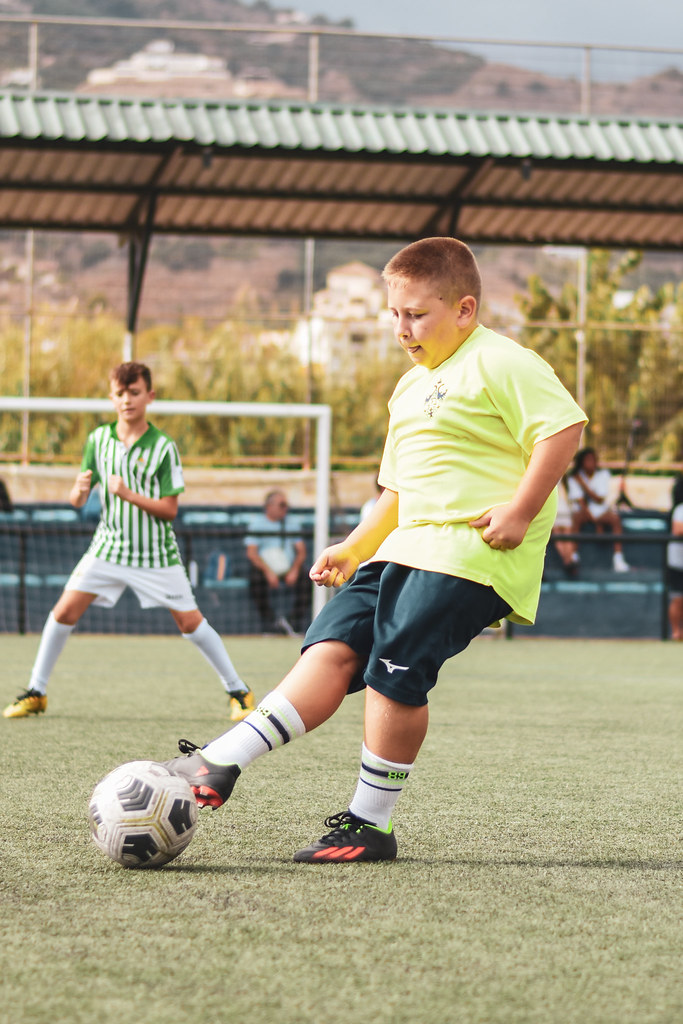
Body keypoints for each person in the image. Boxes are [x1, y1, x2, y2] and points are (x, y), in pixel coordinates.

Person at [161, 236, 586, 864]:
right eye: (394, 314)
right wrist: (357, 545)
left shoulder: (505, 361)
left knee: (394, 668)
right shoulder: (409, 389)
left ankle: (370, 825)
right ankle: (220, 761)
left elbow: (564, 427)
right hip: (402, 549)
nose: (401, 328)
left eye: (416, 313)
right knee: (328, 649)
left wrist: (521, 510)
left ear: (464, 310)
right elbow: (399, 490)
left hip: (470, 553)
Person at [3, 361, 254, 722]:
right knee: (62, 612)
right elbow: (78, 499)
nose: (127, 400)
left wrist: (128, 493)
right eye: (120, 393)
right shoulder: (98, 440)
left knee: (190, 623)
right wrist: (77, 493)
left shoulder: (164, 447)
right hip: (107, 548)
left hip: (156, 554)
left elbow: (169, 509)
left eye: (134, 392)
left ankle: (239, 691)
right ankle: (37, 692)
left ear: (149, 396)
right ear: (112, 397)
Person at [244, 490, 311, 636]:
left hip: (288, 567)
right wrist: (268, 572)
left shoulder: (292, 523)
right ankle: (270, 623)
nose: (285, 509)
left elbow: (301, 551)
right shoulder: (257, 524)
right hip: (266, 568)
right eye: (282, 505)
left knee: (308, 580)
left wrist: (294, 570)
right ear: (269, 506)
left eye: (286, 505)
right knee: (255, 580)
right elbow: (251, 552)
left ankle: (293, 622)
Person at [566, 447, 629, 572]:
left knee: (615, 519)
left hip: (600, 510)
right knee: (575, 519)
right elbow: (580, 502)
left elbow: (599, 499)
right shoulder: (573, 477)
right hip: (583, 511)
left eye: (593, 460)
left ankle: (618, 558)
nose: (591, 463)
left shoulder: (603, 474)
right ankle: (573, 556)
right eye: (588, 460)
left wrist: (583, 485)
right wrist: (596, 522)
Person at [666, 474, 683, 641]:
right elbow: (678, 530)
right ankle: (676, 632)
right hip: (678, 562)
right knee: (678, 598)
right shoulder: (680, 509)